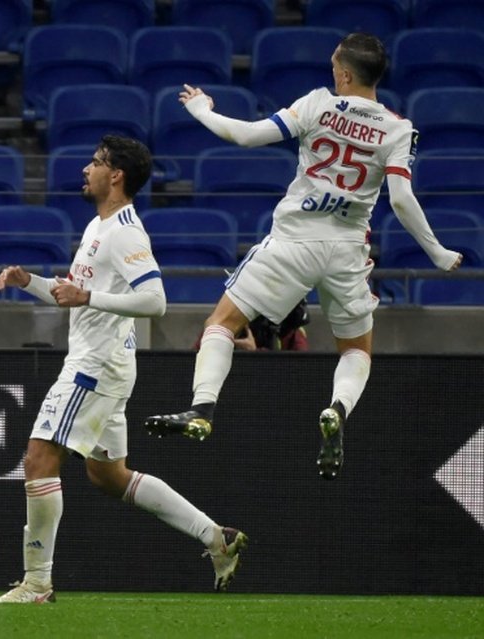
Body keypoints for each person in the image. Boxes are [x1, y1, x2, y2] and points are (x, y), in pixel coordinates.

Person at [144, 33, 463, 480]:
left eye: (335, 67)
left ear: (346, 74)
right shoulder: (398, 129)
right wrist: (437, 251)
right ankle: (336, 409)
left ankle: (201, 409)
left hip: (293, 240)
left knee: (220, 324)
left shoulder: (317, 104)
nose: (331, 73)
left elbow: (249, 135)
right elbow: (403, 200)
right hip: (347, 251)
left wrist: (202, 110)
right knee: (356, 350)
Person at [0, 135, 247, 604]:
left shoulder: (125, 232)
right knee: (108, 475)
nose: (86, 168)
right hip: (107, 361)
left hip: (95, 366)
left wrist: (86, 296)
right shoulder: (98, 226)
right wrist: (31, 282)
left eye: (95, 162)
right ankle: (216, 537)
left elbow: (155, 301)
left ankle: (37, 583)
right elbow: (77, 295)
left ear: (117, 175)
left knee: (38, 459)